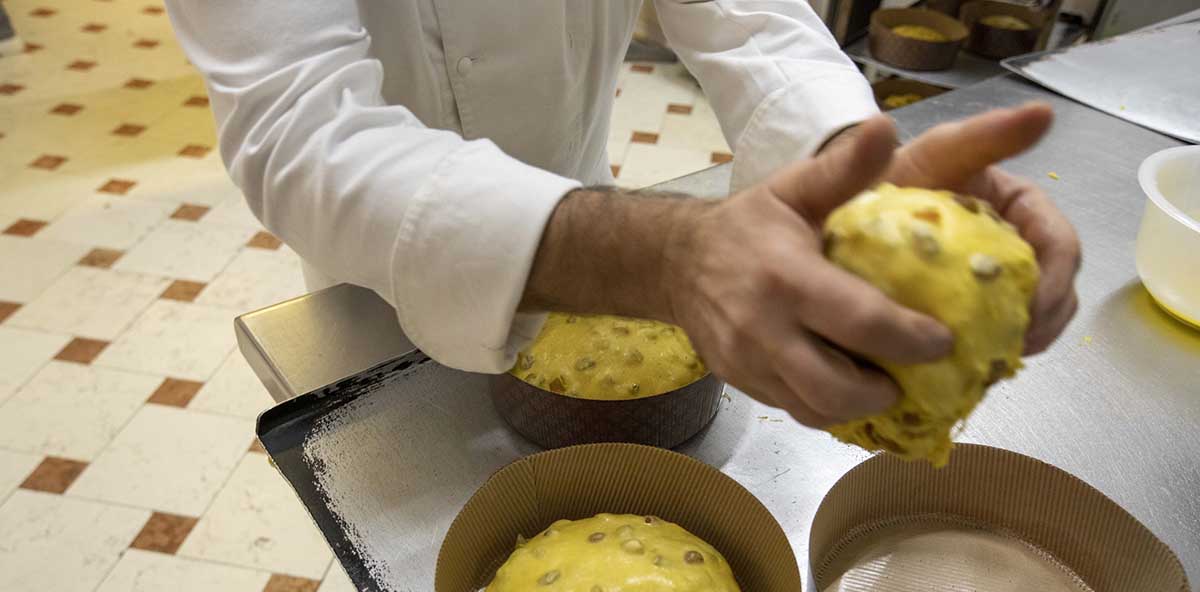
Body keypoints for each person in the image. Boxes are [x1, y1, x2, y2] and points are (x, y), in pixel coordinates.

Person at [164, 2, 1079, 428]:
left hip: (593, 206)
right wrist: (669, 258)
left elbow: (748, 17)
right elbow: (298, 124)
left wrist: (864, 185)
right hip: (370, 270)